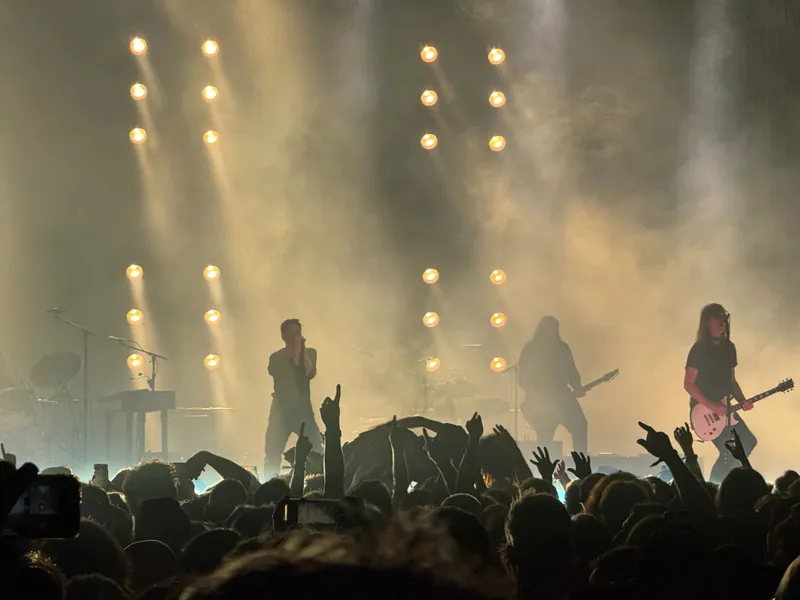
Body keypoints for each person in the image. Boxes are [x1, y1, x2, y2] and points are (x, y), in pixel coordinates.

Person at [684, 303, 755, 483]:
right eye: (719, 317)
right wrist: (712, 405)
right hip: (704, 410)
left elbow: (731, 381)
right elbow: (689, 384)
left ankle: (731, 483)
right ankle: (714, 487)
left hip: (725, 407)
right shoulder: (699, 349)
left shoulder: (729, 347)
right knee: (727, 451)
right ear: (708, 321)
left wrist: (742, 400)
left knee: (747, 441)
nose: (723, 321)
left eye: (724, 317)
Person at [517, 316, 587, 454]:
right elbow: (524, 378)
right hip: (543, 402)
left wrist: (577, 387)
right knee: (544, 436)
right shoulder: (531, 349)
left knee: (580, 426)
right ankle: (545, 466)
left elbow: (571, 371)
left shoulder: (562, 348)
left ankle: (581, 460)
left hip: (564, 398)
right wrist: (536, 397)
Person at [263, 319, 323, 477]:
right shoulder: (276, 358)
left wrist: (301, 350)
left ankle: (317, 481)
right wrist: (295, 351)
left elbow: (307, 373)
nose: (297, 336)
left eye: (299, 332)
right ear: (284, 336)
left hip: (303, 411)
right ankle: (270, 484)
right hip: (280, 412)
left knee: (317, 449)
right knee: (272, 453)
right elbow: (289, 368)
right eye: (293, 333)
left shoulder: (310, 353)